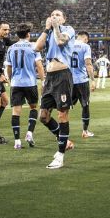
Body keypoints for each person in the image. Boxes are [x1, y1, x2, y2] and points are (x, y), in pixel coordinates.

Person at [33, 9, 76, 169]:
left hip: (63, 75)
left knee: (62, 114)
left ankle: (60, 155)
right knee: (43, 117)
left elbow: (60, 41)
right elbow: (37, 47)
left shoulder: (68, 29)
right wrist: (46, 29)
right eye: (52, 15)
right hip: (50, 78)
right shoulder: (50, 32)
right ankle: (65, 141)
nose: (54, 17)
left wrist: (56, 26)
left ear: (64, 19)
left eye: (57, 15)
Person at [5, 23, 45, 150]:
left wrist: (10, 79)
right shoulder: (34, 46)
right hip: (30, 83)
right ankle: (29, 133)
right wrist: (43, 81)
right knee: (33, 108)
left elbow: (8, 67)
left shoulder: (11, 48)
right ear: (28, 34)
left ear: (17, 35)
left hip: (16, 83)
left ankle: (17, 141)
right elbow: (39, 66)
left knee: (16, 112)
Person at [71, 31, 96, 138]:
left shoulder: (68, 44)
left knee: (64, 107)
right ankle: (85, 131)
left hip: (69, 81)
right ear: (85, 38)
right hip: (82, 81)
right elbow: (88, 64)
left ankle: (61, 132)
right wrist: (93, 80)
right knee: (85, 105)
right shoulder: (85, 46)